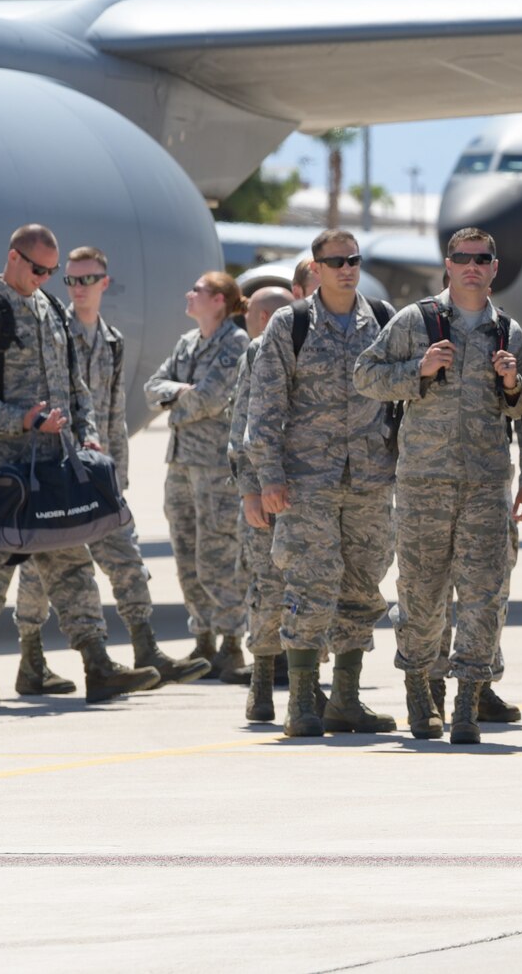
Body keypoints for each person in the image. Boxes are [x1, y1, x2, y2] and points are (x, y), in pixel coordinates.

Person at [0, 225, 158, 707]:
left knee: (70, 563)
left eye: (51, 272)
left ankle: (97, 664)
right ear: (14, 258)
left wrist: (86, 432)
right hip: (2, 470)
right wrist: (19, 420)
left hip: (54, 465)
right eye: (38, 269)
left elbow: (75, 386)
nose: (44, 279)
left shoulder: (52, 314)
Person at [355, 227, 522, 745]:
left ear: (494, 267)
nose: (473, 267)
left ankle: (466, 703)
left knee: (485, 595)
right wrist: (418, 368)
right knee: (421, 594)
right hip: (422, 486)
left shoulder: (508, 332)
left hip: (485, 486)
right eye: (463, 258)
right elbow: (364, 374)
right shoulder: (416, 321)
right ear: (448, 264)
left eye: (483, 258)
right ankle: (419, 690)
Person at [10, 246, 208, 694]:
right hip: (56, 470)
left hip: (99, 471)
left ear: (104, 282)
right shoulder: (53, 334)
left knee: (127, 559)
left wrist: (115, 474)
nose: (78, 289)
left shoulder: (112, 339)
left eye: (87, 279)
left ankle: (146, 647)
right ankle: (30, 660)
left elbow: (114, 411)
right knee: (42, 569)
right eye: (71, 280)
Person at [255, 233, 402, 739]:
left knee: (362, 589)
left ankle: (345, 700)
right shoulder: (290, 324)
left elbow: (405, 393)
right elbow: (266, 407)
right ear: (315, 268)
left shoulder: (383, 320)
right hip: (307, 481)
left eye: (354, 260)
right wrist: (267, 476)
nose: (347, 268)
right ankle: (300, 703)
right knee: (310, 584)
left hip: (369, 478)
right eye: (336, 261)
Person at [145, 269, 251, 682]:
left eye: (199, 290)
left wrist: (179, 397)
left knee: (216, 556)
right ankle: (203, 638)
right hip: (180, 466)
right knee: (186, 554)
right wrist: (180, 393)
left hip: (213, 467)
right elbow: (151, 388)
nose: (189, 294)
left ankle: (231, 642)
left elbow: (210, 399)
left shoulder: (234, 343)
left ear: (219, 300)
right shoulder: (187, 344)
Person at [231, 283, 293, 724]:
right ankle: (262, 684)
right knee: (267, 589)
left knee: (313, 590)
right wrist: (250, 489)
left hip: (312, 488)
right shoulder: (256, 353)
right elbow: (242, 425)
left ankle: (307, 690)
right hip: (268, 490)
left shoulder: (318, 342)